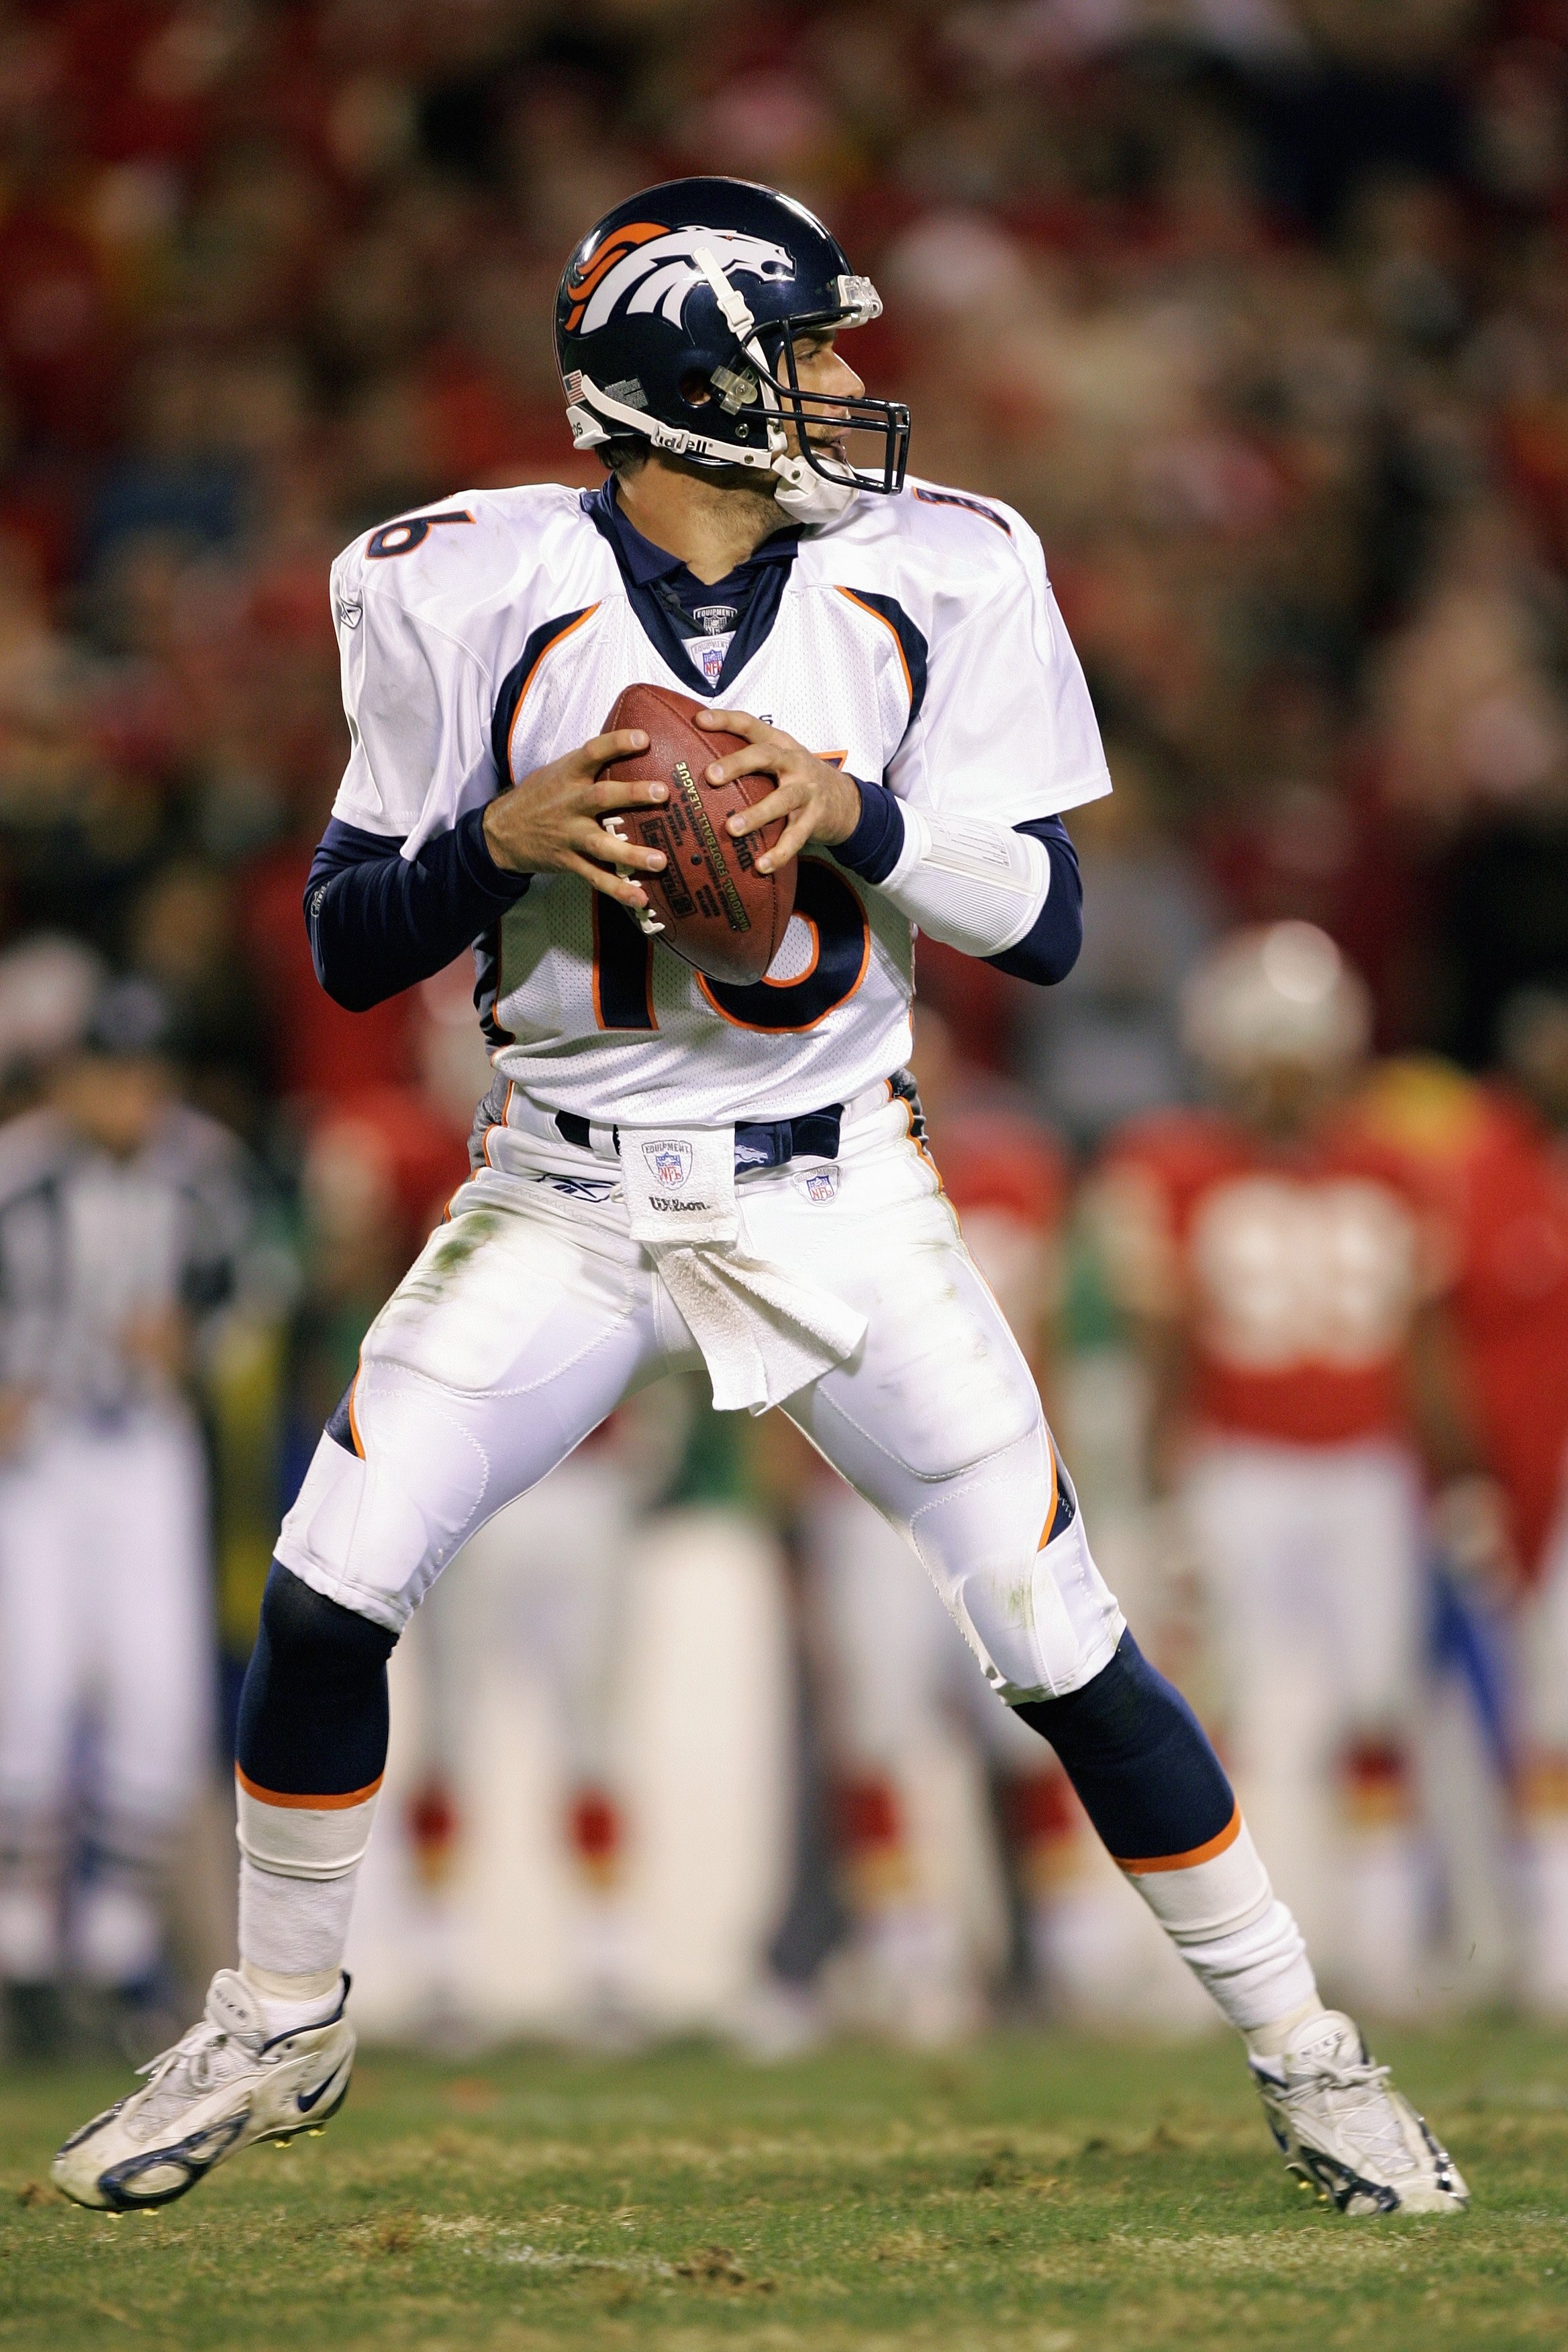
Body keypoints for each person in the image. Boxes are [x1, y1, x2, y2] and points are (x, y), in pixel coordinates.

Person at [54, 177, 1465, 2218]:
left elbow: (1053, 927)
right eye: (805, 353)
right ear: (684, 385)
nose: (848, 384)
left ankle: (1315, 2057)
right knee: (327, 1580)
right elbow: (353, 944)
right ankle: (279, 2010)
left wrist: (863, 814)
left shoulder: (942, 570)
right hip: (555, 1190)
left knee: (1055, 1634)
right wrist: (495, 840)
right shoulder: (456, 582)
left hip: (841, 1196)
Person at [1090, 923, 1476, 2014]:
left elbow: (1427, 1345)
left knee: (1377, 1706)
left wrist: (1459, 1479)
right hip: (1242, 1465)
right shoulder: (1178, 1165)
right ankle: (1229, 1955)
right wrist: (1162, 1484)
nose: (1286, 1081)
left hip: (1364, 1465)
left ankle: (1388, 1942)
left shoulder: (1391, 1163)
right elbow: (1163, 1344)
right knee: (1230, 1710)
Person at [0, 978, 252, 2054]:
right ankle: (19, 1958)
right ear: (69, 1079)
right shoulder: (19, 1177)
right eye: (108, 1075)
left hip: (147, 1447)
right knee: (31, 1696)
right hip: (39, 1449)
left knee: (157, 1701)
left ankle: (107, 1957)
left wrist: (195, 1344)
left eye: (143, 1076)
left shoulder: (203, 1175)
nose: (126, 1099)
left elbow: (251, 1294)